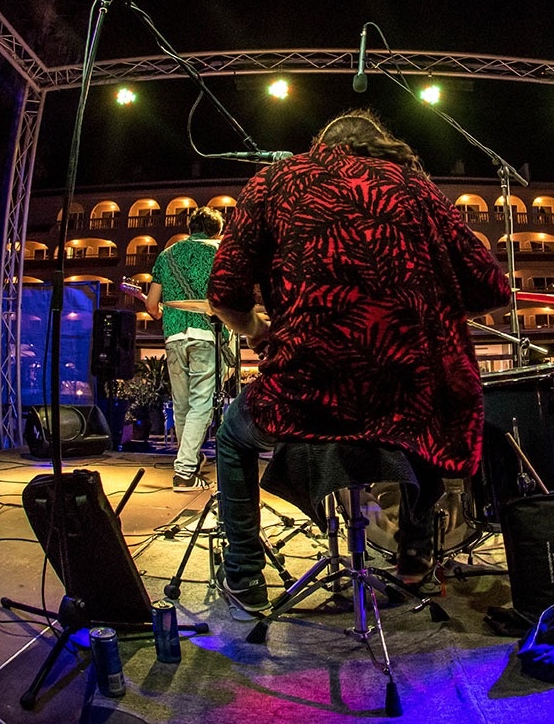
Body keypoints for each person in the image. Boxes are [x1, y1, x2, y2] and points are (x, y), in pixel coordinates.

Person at [207, 110, 511, 617]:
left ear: (319, 144)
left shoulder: (277, 180)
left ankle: (244, 579)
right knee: (430, 412)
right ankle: (415, 552)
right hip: (405, 389)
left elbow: (223, 293)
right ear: (383, 147)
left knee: (233, 435)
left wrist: (261, 332)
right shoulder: (417, 188)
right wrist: (424, 304)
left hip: (309, 391)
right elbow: (492, 286)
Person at [145, 206, 229, 491]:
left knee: (181, 404)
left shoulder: (167, 254)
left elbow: (151, 306)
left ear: (190, 227)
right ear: (217, 230)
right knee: (201, 404)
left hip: (173, 336)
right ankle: (184, 472)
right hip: (206, 334)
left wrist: (164, 314)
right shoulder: (221, 252)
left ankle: (188, 458)